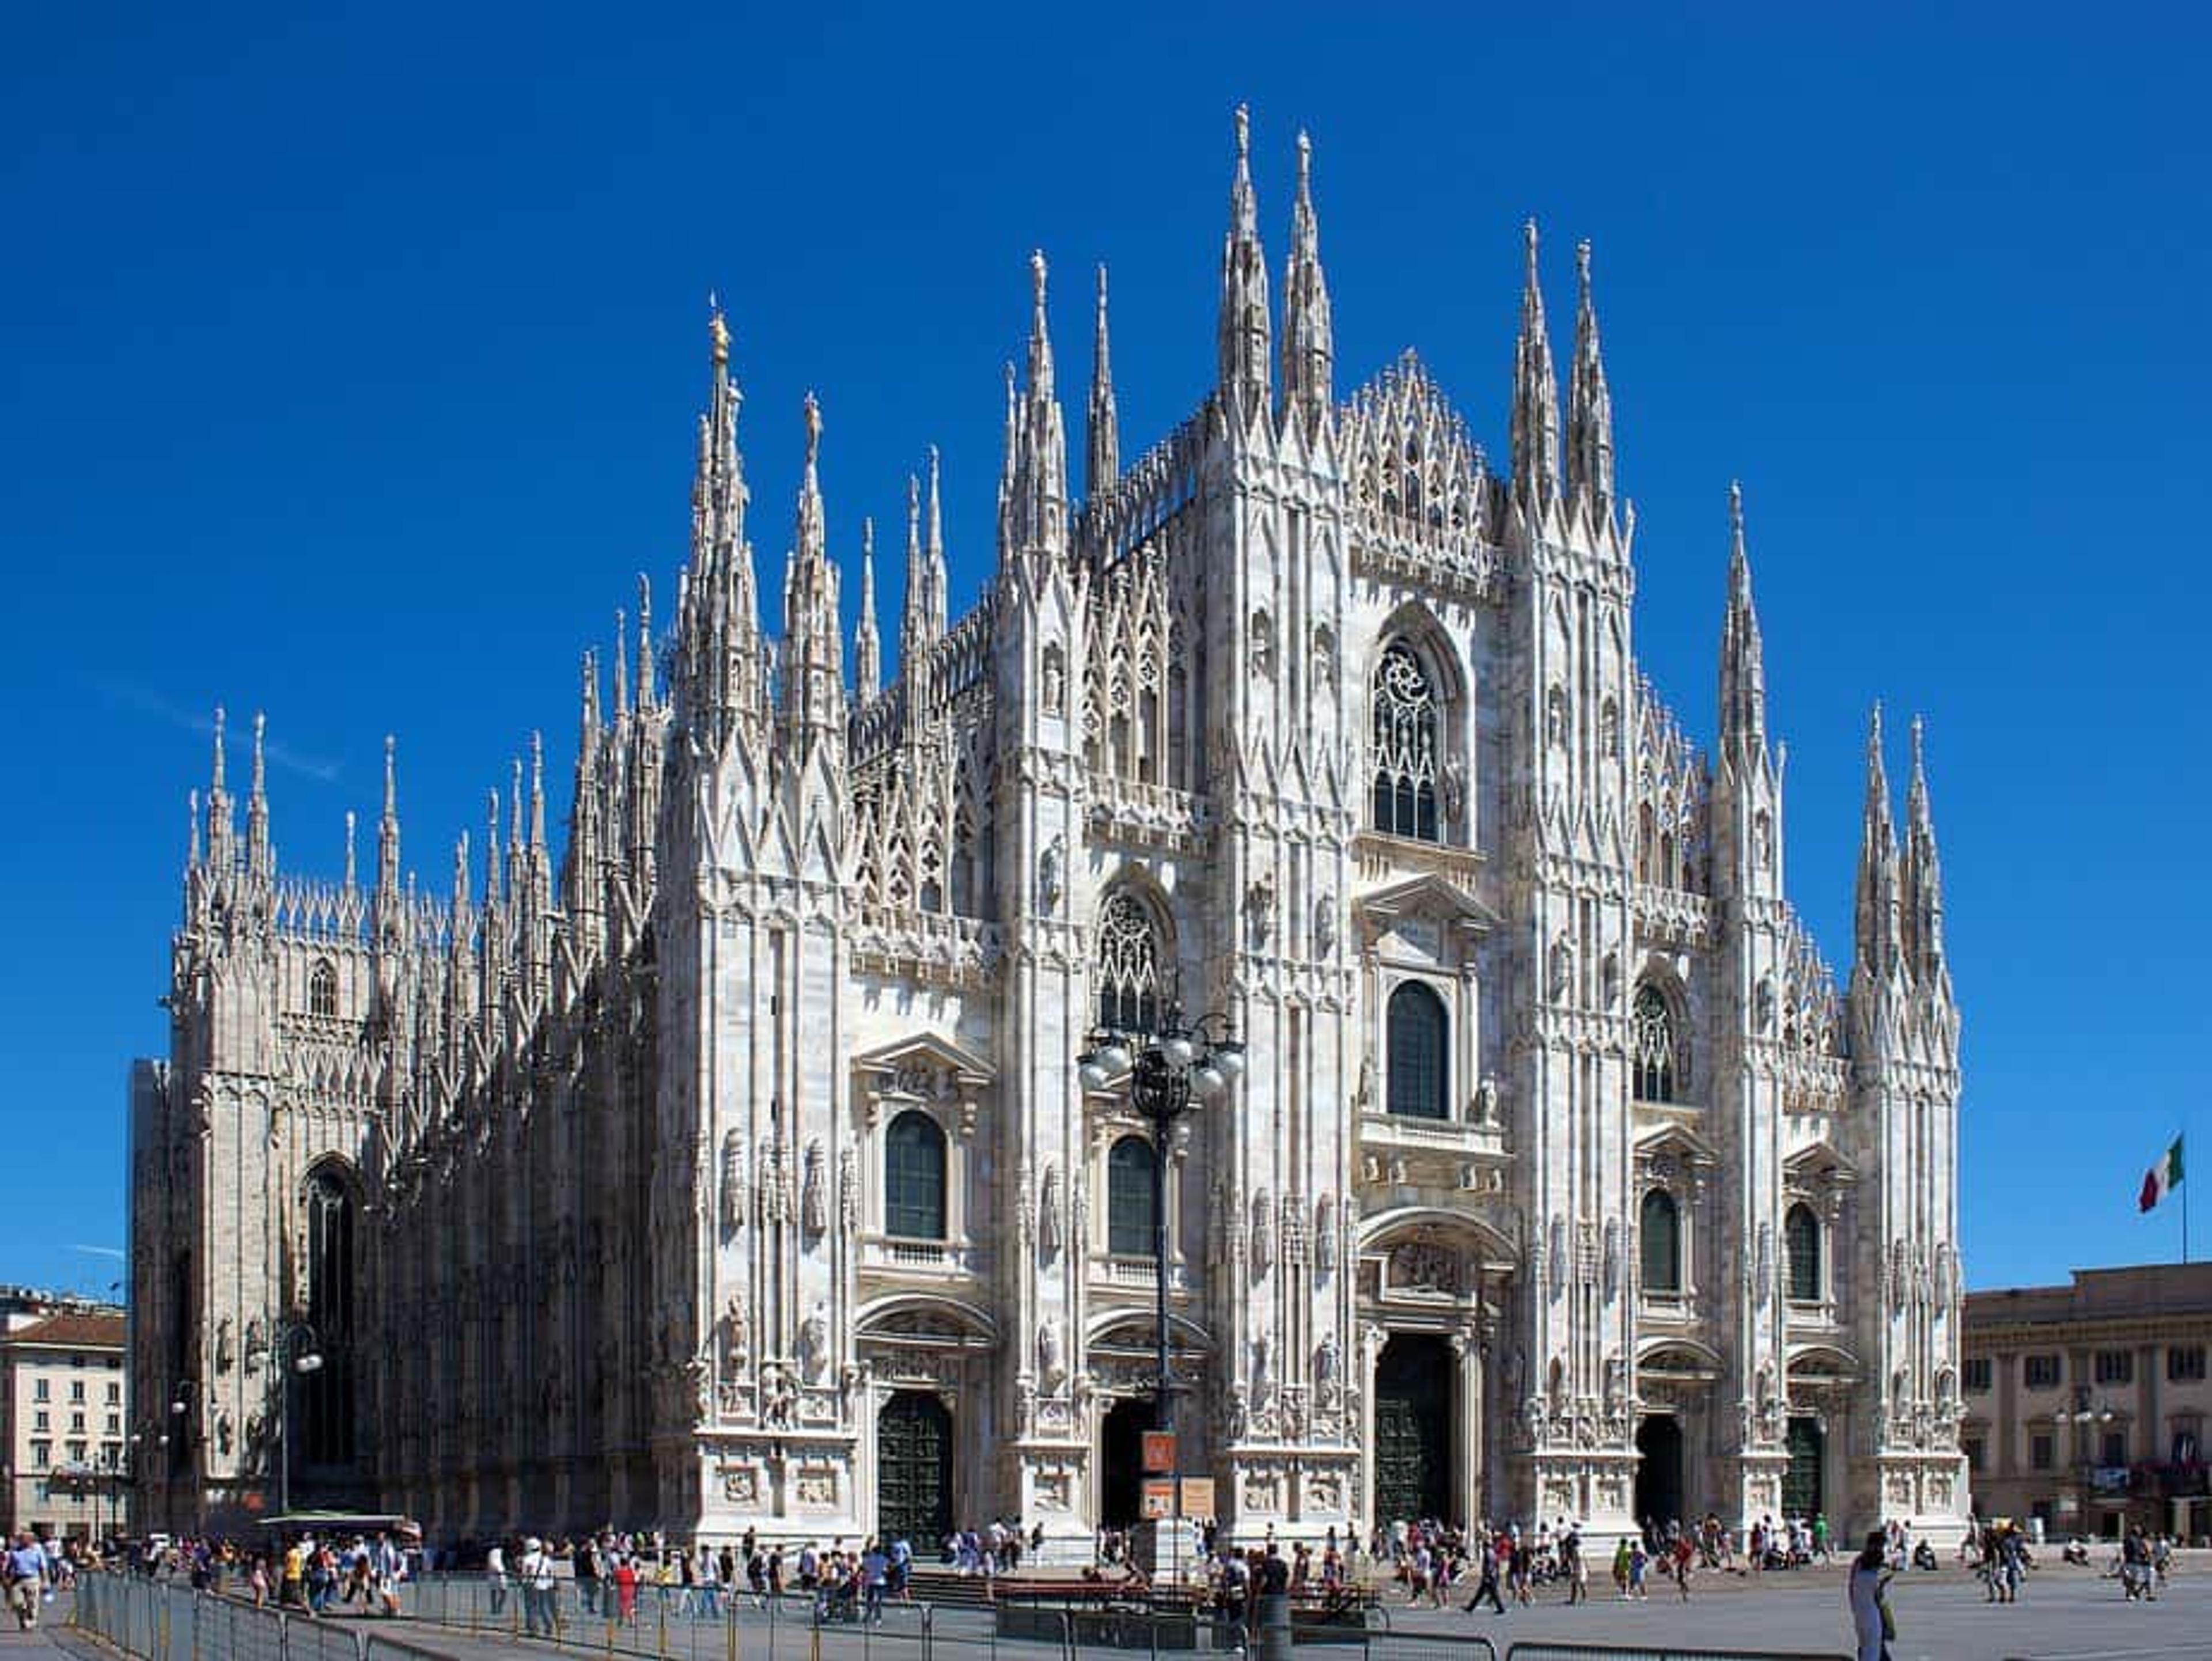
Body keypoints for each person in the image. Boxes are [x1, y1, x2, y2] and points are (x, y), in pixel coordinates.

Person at [1847, 1530, 1894, 1661]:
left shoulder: (1859, 1563)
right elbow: (1879, 1594)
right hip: (1872, 1614)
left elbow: (1852, 1588)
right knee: (1872, 1651)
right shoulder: (1877, 1567)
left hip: (1860, 1611)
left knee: (1868, 1648)